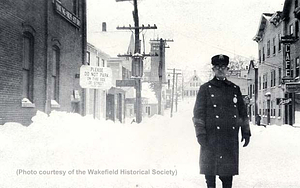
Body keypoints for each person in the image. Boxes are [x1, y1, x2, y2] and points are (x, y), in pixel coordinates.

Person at [192, 54, 251, 188]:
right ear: (213, 69)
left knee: (227, 177)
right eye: (217, 67)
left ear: (227, 69)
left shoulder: (234, 89)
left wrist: (246, 132)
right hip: (210, 138)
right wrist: (200, 134)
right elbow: (198, 114)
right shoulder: (205, 89)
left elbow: (242, 113)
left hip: (229, 139)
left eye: (223, 67)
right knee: (210, 175)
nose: (220, 70)